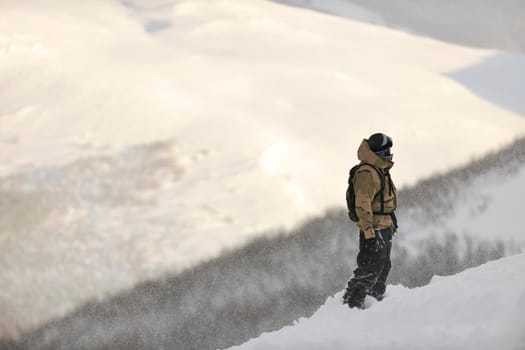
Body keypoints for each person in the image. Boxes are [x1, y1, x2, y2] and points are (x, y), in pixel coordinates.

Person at [342, 133, 398, 309]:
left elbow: (383, 200)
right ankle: (350, 306)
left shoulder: (380, 169)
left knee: (383, 266)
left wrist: (391, 220)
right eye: (386, 150)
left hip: (384, 225)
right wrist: (368, 232)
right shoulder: (368, 172)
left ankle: (374, 303)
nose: (389, 153)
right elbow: (362, 203)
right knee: (370, 269)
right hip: (373, 228)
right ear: (377, 153)